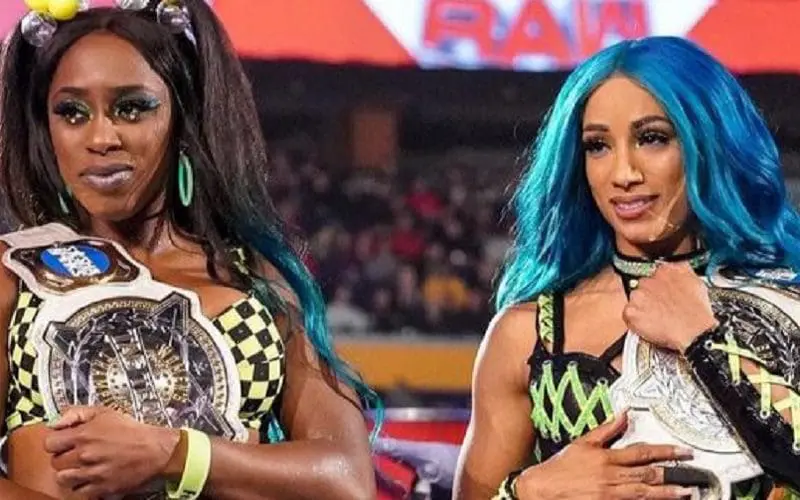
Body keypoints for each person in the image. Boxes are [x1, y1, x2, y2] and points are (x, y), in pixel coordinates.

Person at [0, 0, 379, 498]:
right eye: (72, 112)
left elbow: (348, 479)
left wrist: (172, 453)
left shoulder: (255, 284)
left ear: (185, 118)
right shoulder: (15, 273)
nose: (101, 137)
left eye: (131, 107)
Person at [454, 36, 800, 500]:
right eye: (597, 146)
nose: (623, 174)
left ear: (710, 143)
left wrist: (703, 342)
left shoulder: (785, 306)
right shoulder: (525, 334)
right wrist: (529, 491)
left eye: (652, 138)